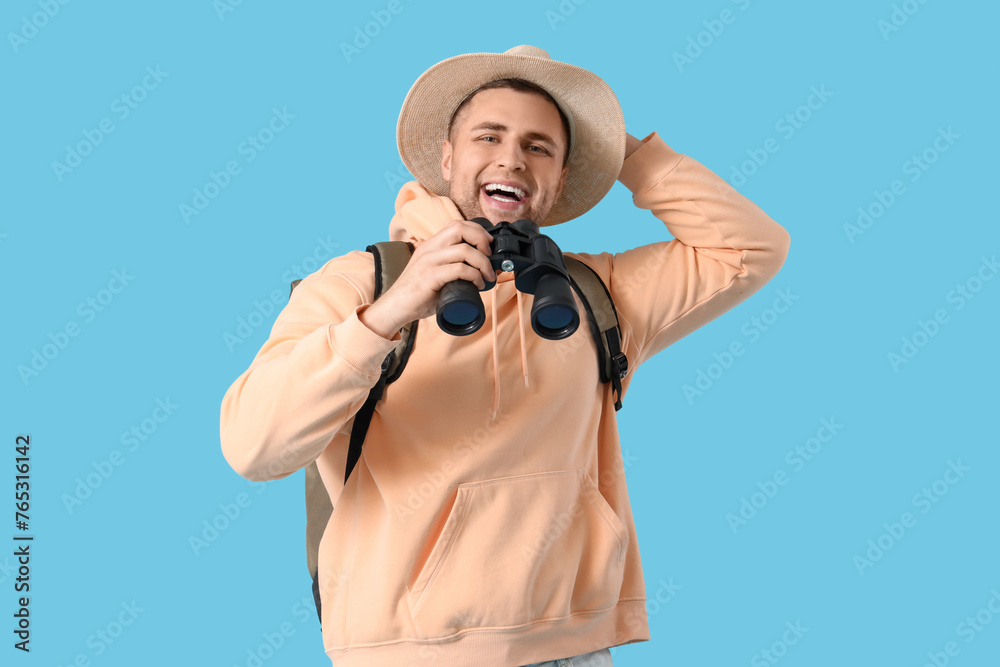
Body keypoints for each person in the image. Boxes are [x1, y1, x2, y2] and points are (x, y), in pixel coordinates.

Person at [220, 45, 791, 667]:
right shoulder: (361, 284)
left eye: (539, 146)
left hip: (572, 644)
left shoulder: (594, 295)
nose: (511, 159)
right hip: (411, 653)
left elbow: (751, 248)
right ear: (446, 158)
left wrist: (617, 145)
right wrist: (389, 314)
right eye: (487, 136)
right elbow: (254, 446)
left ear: (563, 175)